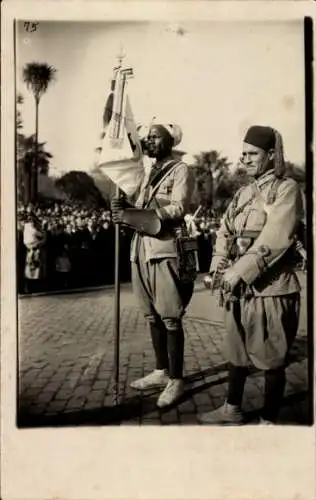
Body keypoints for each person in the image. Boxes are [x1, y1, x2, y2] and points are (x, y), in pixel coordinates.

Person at [198, 125, 304, 425]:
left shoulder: (286, 189)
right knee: (236, 351)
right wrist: (219, 264)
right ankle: (232, 408)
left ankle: (269, 420)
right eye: (243, 153)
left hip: (272, 288)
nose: (245, 159)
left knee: (272, 359)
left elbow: (276, 236)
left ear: (271, 155)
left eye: (252, 154)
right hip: (238, 288)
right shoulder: (243, 193)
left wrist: (239, 271)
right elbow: (225, 231)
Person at [111, 122, 197, 407]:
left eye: (155, 136)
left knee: (170, 315)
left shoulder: (180, 169)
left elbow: (179, 207)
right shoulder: (147, 173)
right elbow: (136, 207)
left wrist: (144, 215)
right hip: (140, 251)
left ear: (170, 140)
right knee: (151, 315)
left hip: (163, 249)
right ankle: (161, 371)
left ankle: (177, 379)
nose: (149, 140)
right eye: (147, 136)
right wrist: (122, 208)